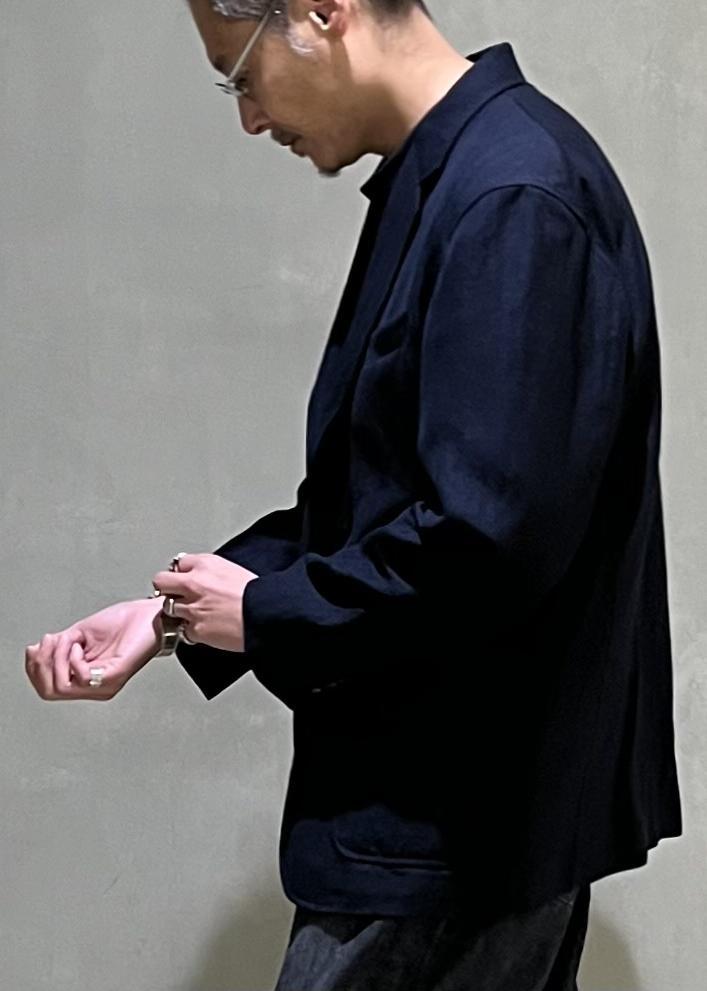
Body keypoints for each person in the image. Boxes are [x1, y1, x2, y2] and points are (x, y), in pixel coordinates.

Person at [25, 1, 682, 988]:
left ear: (323, 11)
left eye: (240, 73)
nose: (249, 117)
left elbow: (480, 545)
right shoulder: (465, 179)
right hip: (443, 828)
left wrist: (264, 613)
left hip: (447, 837)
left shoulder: (510, 198)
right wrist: (175, 617)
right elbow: (385, 506)